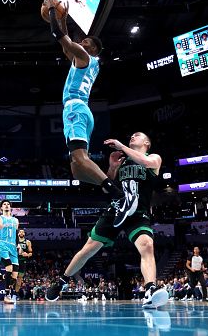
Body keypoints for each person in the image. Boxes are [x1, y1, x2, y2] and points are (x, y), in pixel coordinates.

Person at [46, 132, 168, 309]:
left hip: (137, 212)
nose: (132, 136)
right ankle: (61, 282)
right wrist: (112, 167)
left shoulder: (154, 157)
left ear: (147, 142)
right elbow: (106, 188)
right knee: (88, 249)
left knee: (147, 245)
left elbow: (148, 163)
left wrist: (121, 146)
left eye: (137, 135)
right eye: (131, 135)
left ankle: (150, 290)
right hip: (116, 209)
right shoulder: (122, 162)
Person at [42, 0, 124, 211]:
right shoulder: (86, 60)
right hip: (82, 110)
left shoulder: (85, 55)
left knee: (79, 158)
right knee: (77, 170)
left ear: (93, 49)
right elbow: (65, 46)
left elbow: (59, 37)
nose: (82, 42)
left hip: (75, 109)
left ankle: (115, 192)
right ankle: (108, 182)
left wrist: (52, 12)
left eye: (86, 41)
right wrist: (63, 20)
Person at [0, 200, 19, 304]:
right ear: (1, 208)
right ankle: (7, 296)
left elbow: (16, 234)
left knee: (14, 275)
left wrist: (18, 244)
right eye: (4, 204)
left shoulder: (15, 220)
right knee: (9, 268)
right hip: (2, 244)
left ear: (11, 207)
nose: (6, 206)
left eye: (8, 204)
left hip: (13, 247)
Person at [15, 228, 32, 298]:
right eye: (20, 232)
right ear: (18, 234)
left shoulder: (28, 242)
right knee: (12, 277)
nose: (21, 233)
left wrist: (27, 254)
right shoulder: (14, 241)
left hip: (22, 262)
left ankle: (16, 294)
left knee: (19, 279)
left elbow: (31, 253)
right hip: (15, 260)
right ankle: (9, 292)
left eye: (23, 232)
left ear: (24, 234)